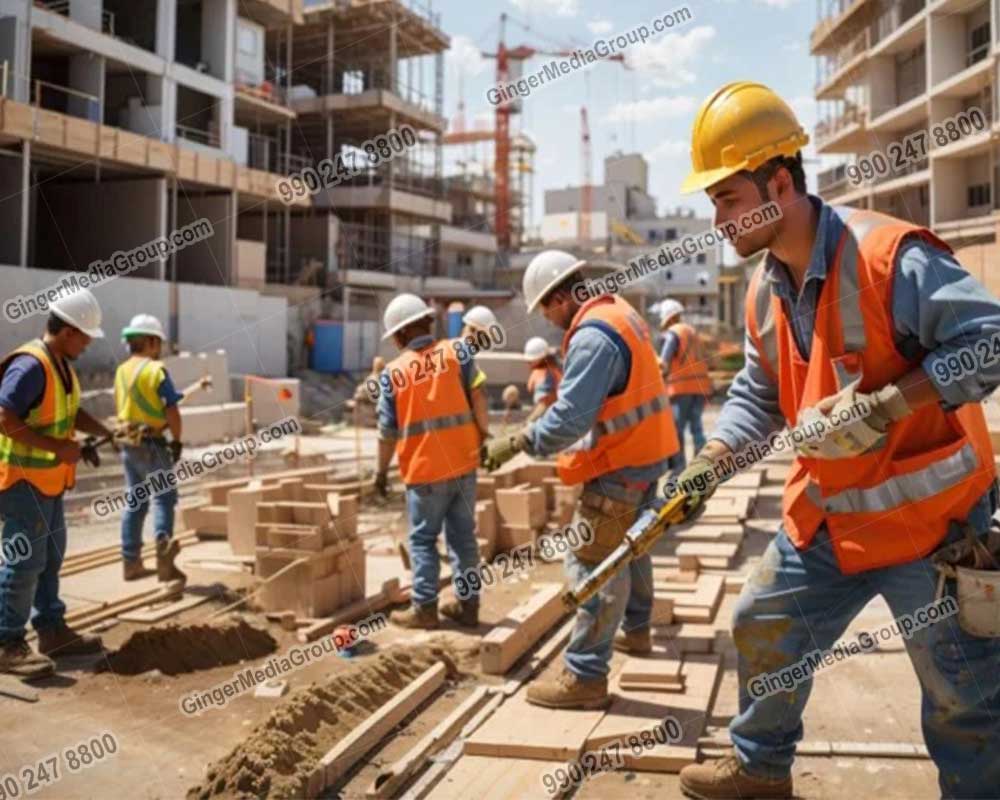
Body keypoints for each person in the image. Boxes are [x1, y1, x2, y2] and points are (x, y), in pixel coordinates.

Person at [674, 80, 1000, 799]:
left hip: (932, 525)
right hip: (829, 517)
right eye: (713, 204)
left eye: (727, 199)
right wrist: (709, 461)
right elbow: (759, 394)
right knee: (763, 621)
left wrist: (890, 404)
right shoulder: (764, 292)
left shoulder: (888, 256)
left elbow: (990, 340)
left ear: (779, 184)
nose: (718, 221)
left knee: (964, 700)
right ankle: (760, 768)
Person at [483, 250, 679, 709]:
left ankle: (586, 674)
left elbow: (570, 418)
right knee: (632, 548)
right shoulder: (619, 312)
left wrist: (521, 441)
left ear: (561, 298)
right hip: (647, 453)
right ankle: (636, 629)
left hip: (619, 465)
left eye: (545, 309)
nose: (547, 320)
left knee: (592, 562)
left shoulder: (592, 337)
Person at [0, 288, 113, 677]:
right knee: (24, 562)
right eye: (85, 337)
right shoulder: (31, 365)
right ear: (68, 332)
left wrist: (101, 432)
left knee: (50, 556)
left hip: (48, 482)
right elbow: (5, 418)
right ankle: (6, 643)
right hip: (22, 482)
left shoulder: (59, 365)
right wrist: (57, 448)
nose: (87, 344)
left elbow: (68, 410)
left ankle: (51, 631)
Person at [376, 294, 488, 629]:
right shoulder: (458, 352)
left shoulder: (394, 373)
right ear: (428, 323)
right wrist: (484, 439)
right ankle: (469, 606)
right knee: (463, 538)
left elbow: (387, 434)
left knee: (423, 540)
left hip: (425, 473)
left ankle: (425, 609)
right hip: (464, 464)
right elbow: (479, 398)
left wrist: (380, 474)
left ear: (399, 335)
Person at [115, 314, 186, 583]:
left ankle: (130, 563)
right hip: (153, 443)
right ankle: (165, 562)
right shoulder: (156, 371)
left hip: (129, 444)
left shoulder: (122, 371)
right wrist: (176, 440)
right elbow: (172, 411)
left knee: (135, 501)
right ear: (152, 341)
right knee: (164, 499)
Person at [657, 298, 712, 476]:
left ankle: (678, 470)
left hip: (681, 389)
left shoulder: (673, 334)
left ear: (669, 318)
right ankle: (701, 468)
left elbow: (664, 362)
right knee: (697, 428)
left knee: (677, 430)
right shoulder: (692, 332)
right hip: (700, 387)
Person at [523, 336, 562, 422]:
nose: (528, 363)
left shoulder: (543, 375)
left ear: (540, 358)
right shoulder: (555, 367)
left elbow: (544, 403)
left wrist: (529, 421)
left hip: (551, 417)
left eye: (531, 361)